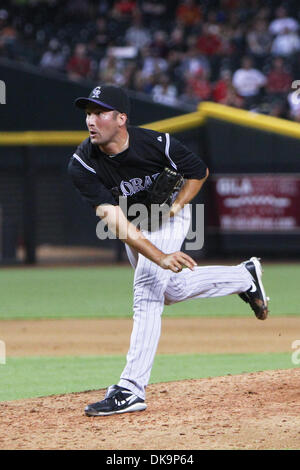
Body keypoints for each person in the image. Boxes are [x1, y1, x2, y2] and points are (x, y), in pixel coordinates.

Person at [68, 85, 269, 417]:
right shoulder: (82, 163)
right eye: (88, 113)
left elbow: (198, 171)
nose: (91, 120)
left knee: (147, 290)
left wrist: (176, 207)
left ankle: (131, 388)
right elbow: (115, 222)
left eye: (99, 112)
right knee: (170, 290)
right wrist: (158, 256)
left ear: (121, 119)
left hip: (167, 214)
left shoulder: (156, 143)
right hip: (134, 223)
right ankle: (243, 276)